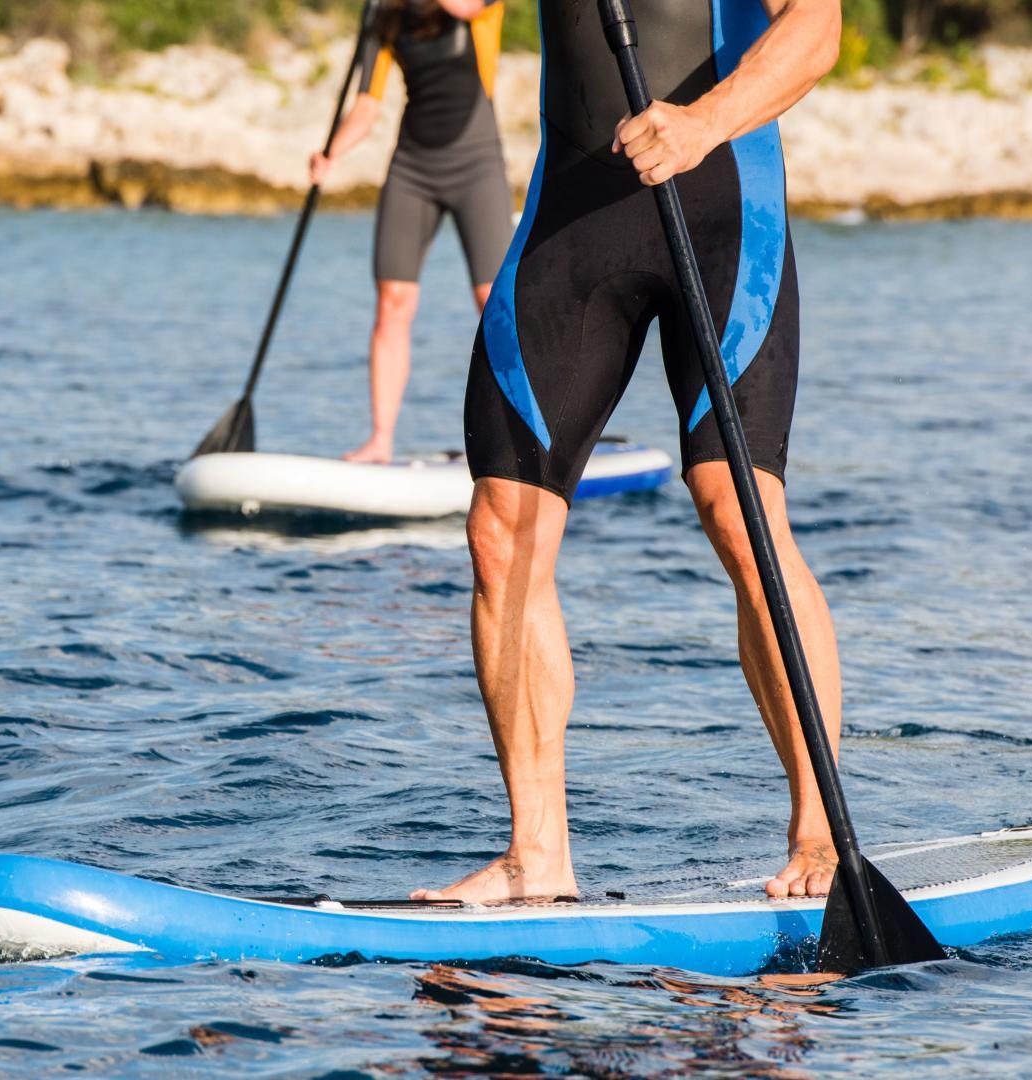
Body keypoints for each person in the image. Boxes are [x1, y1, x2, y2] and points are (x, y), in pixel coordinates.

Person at [418, 0, 846, 903]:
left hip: (721, 196)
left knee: (738, 509)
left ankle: (818, 831)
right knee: (502, 527)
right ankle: (537, 854)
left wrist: (704, 122)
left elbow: (817, 29)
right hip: (574, 211)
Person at [310, 0, 513, 464]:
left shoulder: (479, 11)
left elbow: (466, 7)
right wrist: (331, 154)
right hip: (413, 168)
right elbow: (366, 106)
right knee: (393, 301)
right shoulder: (383, 17)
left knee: (493, 300)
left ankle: (515, 431)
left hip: (476, 165)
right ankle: (380, 439)